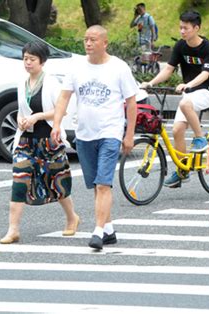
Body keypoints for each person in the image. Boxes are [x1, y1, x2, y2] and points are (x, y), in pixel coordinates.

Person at [51, 25, 138, 250]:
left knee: (103, 184)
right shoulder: (76, 67)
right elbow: (64, 97)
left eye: (93, 40)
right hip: (84, 134)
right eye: (86, 40)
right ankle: (108, 230)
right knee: (95, 185)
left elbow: (131, 103)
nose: (88, 44)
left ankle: (97, 232)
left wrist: (129, 135)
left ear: (105, 43)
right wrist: (57, 124)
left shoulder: (119, 68)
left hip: (110, 132)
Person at [0, 41, 80, 244]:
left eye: (32, 59)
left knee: (56, 182)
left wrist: (38, 117)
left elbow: (61, 110)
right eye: (25, 58)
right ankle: (13, 229)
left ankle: (72, 217)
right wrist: (21, 119)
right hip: (26, 141)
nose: (27, 63)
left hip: (48, 141)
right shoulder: (22, 83)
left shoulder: (51, 83)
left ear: (42, 61)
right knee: (19, 182)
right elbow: (22, 110)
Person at [141, 10, 209, 188]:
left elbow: (205, 74)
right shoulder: (180, 46)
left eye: (185, 28)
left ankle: (200, 138)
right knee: (177, 130)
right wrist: (151, 82)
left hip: (208, 91)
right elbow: (169, 69)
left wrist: (188, 85)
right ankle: (182, 171)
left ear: (196, 28)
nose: (182, 31)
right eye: (180, 28)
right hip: (190, 93)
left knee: (185, 102)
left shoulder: (207, 48)